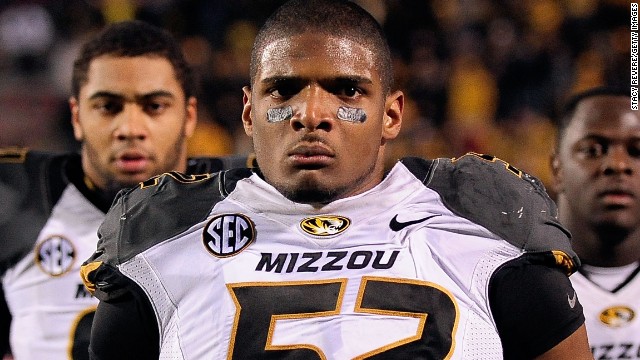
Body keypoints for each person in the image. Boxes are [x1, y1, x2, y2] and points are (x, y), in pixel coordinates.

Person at [82, 1, 592, 359]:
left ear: (391, 115)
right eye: (283, 91)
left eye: (346, 90)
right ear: (248, 111)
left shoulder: (487, 217)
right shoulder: (160, 235)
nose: (311, 113)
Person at [0, 20, 246, 360]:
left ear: (189, 116)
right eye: (108, 107)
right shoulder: (15, 197)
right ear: (76, 116)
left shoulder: (248, 193)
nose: (130, 129)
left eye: (154, 106)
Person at [551, 87, 640, 358]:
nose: (617, 164)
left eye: (636, 150)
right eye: (593, 149)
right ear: (557, 168)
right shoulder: (513, 288)